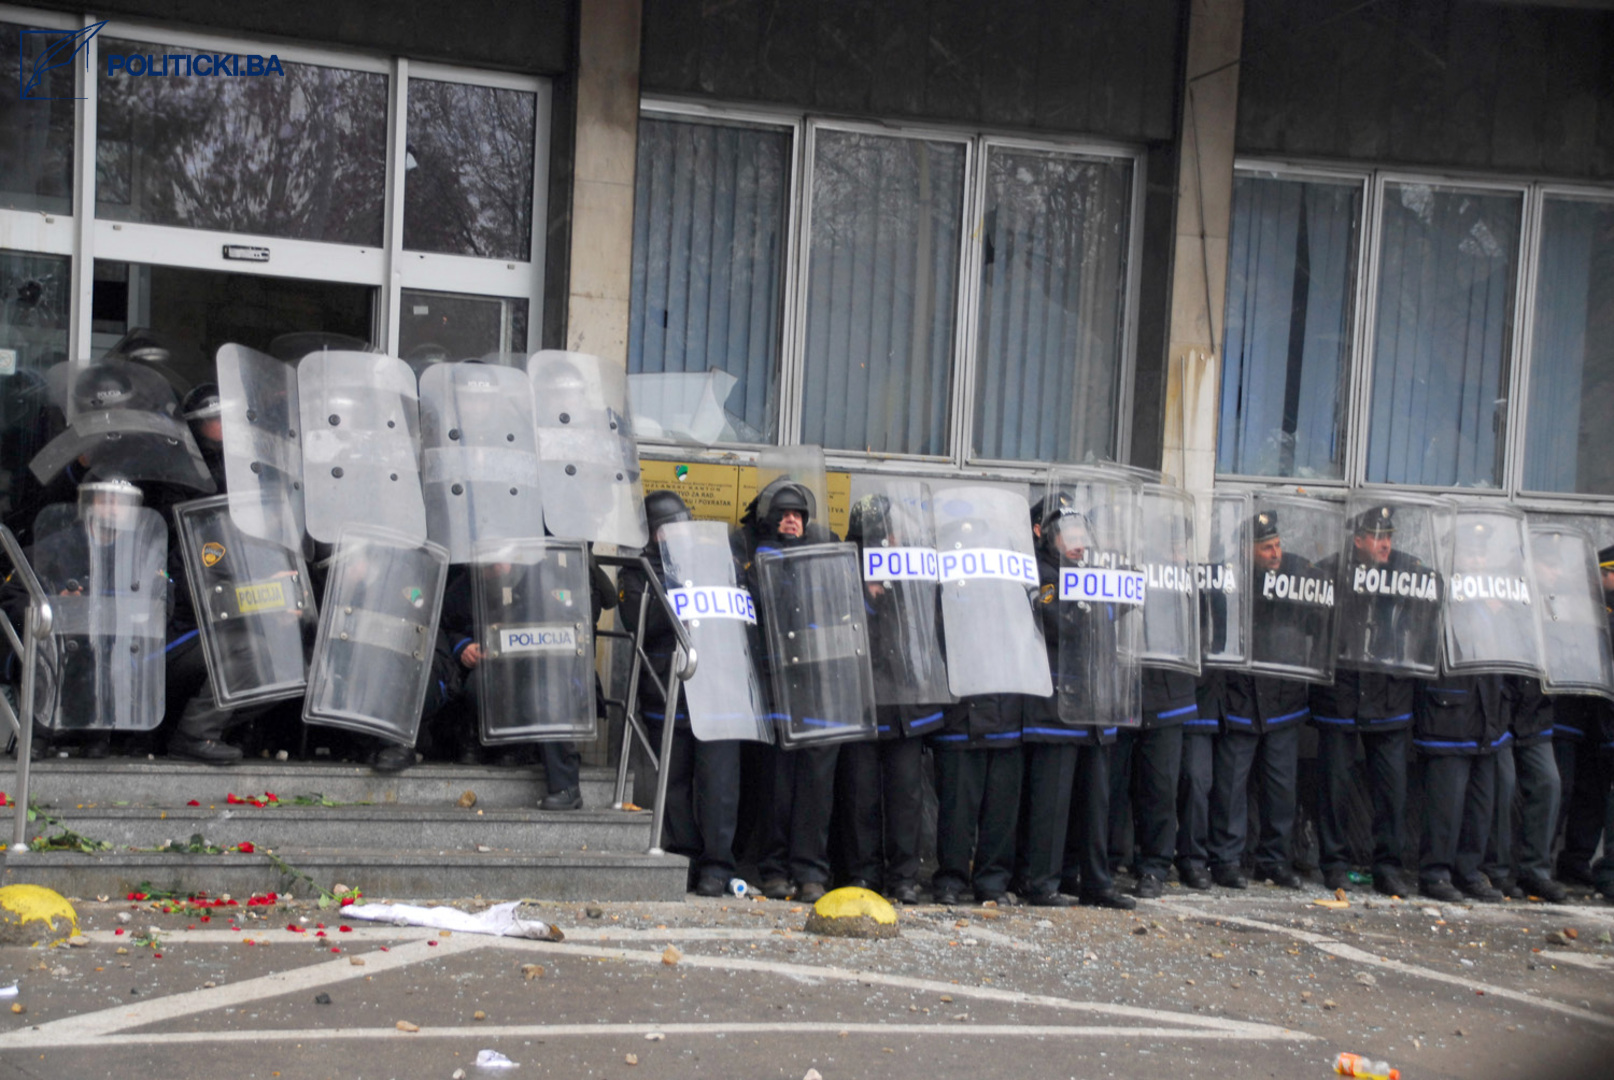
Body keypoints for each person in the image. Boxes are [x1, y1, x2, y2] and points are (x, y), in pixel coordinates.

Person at [620, 491, 745, 895]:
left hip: (716, 689)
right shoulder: (638, 570)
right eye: (670, 528)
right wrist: (676, 591)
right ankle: (685, 857)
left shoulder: (710, 564)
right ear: (655, 533)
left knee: (719, 783)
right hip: (666, 689)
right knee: (672, 784)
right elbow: (637, 619)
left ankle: (718, 864)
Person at [733, 478, 841, 903]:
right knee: (777, 788)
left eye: (798, 514)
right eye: (784, 513)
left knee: (816, 788)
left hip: (818, 691)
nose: (792, 520)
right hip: (776, 689)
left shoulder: (825, 558)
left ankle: (811, 871)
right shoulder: (752, 560)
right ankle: (774, 869)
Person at [1309, 505, 1425, 897]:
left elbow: (1425, 621)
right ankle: (1334, 864)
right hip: (1341, 695)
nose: (1386, 544)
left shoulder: (1408, 574)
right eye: (1378, 537)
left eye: (1389, 536)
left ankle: (1388, 867)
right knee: (1334, 787)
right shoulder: (1329, 572)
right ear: (1358, 540)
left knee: (1392, 792)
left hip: (1389, 696)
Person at [1026, 495, 1134, 910]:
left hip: (1095, 705)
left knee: (1096, 802)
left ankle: (1096, 881)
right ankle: (1042, 882)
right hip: (1057, 704)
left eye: (1082, 534)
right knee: (1052, 803)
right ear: (1050, 537)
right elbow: (1059, 622)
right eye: (1069, 534)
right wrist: (1101, 608)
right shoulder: (1043, 572)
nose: (1078, 542)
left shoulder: (1092, 573)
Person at [838, 492, 944, 905]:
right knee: (861, 796)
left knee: (906, 797)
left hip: (906, 703)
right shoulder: (846, 566)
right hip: (865, 699)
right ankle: (863, 873)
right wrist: (869, 596)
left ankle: (903, 876)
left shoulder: (912, 570)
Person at [1209, 509, 1314, 889]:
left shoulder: (1295, 579)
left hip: (1283, 700)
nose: (1275, 554)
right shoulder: (1230, 582)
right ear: (1247, 550)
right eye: (1266, 547)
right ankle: (1226, 859)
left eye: (1278, 545)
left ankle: (1275, 860)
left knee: (1281, 789)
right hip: (1241, 699)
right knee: (1231, 788)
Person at [1484, 676, 1567, 902]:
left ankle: (1535, 871)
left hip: (1535, 711)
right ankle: (1495, 869)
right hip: (1496, 708)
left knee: (1549, 783)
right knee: (1504, 782)